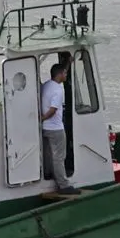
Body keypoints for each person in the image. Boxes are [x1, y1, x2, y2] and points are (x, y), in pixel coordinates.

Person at [41, 60, 81, 195]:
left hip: (45, 128)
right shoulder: (58, 89)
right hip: (56, 128)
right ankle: (63, 185)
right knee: (59, 157)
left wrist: (68, 63)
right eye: (65, 73)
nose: (66, 75)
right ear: (59, 75)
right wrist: (43, 118)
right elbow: (53, 110)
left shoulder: (46, 85)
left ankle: (49, 173)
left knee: (48, 154)